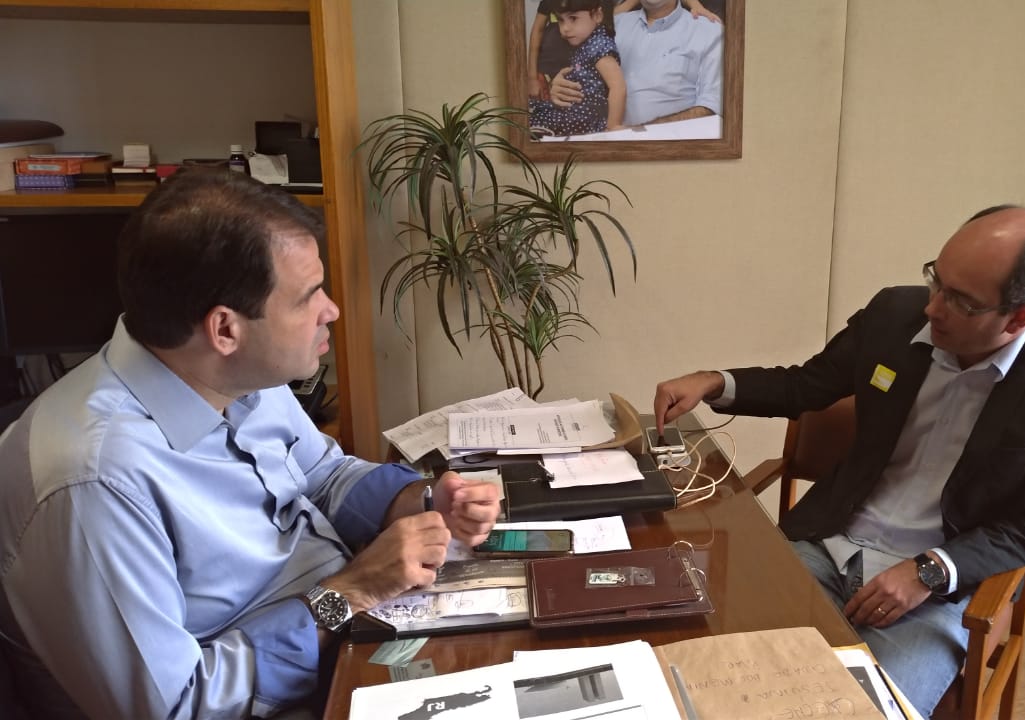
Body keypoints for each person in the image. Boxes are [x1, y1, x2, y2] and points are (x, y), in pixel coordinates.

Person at [0, 169, 501, 720]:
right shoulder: (95, 484)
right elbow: (178, 706)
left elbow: (323, 475)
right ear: (225, 330)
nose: (331, 310)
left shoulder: (235, 376)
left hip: (345, 632)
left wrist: (421, 500)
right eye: (308, 297)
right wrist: (349, 594)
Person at [653, 205, 1025, 714]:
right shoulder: (894, 315)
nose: (933, 308)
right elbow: (806, 385)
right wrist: (715, 382)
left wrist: (929, 572)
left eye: (960, 301)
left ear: (1019, 317)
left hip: (938, 591)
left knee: (869, 711)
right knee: (707, 672)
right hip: (826, 546)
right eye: (936, 280)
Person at [549, 0, 722, 127]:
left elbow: (711, 108)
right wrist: (559, 87)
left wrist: (638, 132)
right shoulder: (608, 28)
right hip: (599, 144)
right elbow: (579, 68)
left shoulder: (709, 31)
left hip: (671, 149)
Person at [529, 0, 626, 137]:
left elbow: (618, 87)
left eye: (573, 18)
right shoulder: (584, 43)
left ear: (597, 15)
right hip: (574, 112)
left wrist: (613, 125)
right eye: (561, 20)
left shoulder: (599, 45)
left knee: (535, 120)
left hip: (584, 117)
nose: (565, 28)